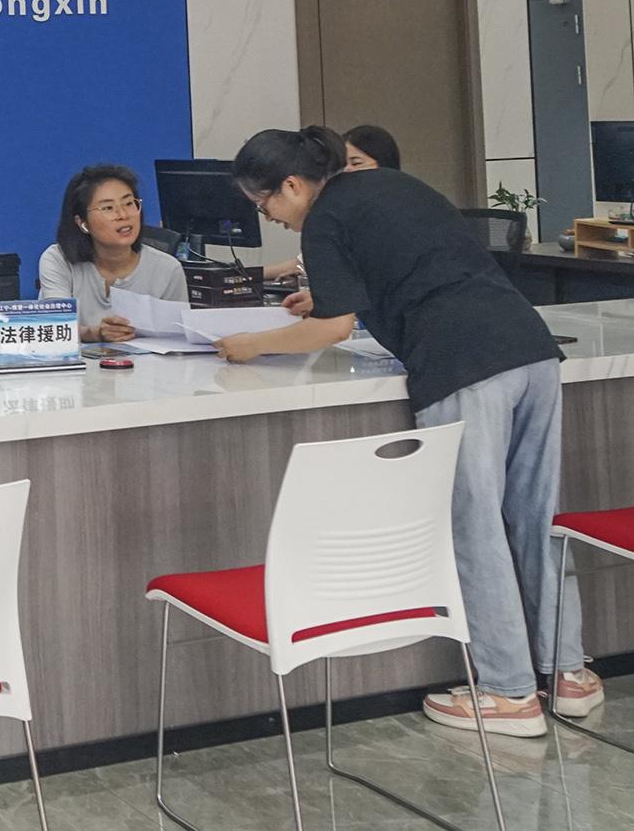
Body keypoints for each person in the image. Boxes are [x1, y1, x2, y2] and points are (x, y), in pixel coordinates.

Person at [213, 126, 600, 737]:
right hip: (529, 350)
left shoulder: (324, 219)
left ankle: (509, 694)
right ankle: (569, 673)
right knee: (534, 518)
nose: (271, 218)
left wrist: (251, 346)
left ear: (291, 184)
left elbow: (331, 330)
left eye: (265, 205)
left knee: (473, 525)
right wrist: (328, 296)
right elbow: (413, 266)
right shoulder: (388, 185)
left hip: (461, 363)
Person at [39, 164, 188, 342]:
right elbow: (56, 327)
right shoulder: (58, 259)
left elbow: (177, 340)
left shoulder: (168, 269)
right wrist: (95, 334)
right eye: (108, 208)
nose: (123, 215)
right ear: (82, 223)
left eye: (129, 203)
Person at [262, 124, 402, 282]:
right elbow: (305, 262)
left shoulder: (392, 210)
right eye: (343, 165)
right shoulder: (341, 210)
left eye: (356, 163)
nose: (347, 171)